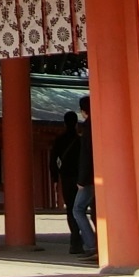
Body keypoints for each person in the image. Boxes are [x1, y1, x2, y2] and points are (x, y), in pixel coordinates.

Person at [47, 112, 83, 254]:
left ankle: (75, 241)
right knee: (82, 208)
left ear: (64, 123)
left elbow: (53, 161)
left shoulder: (59, 140)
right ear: (76, 123)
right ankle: (90, 240)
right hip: (81, 178)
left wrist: (55, 178)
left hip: (66, 178)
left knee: (71, 209)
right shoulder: (80, 140)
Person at [68, 96, 97, 262]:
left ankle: (92, 245)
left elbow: (86, 156)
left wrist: (81, 179)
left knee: (77, 209)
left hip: (89, 177)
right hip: (101, 174)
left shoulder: (87, 128)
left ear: (84, 111)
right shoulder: (98, 124)